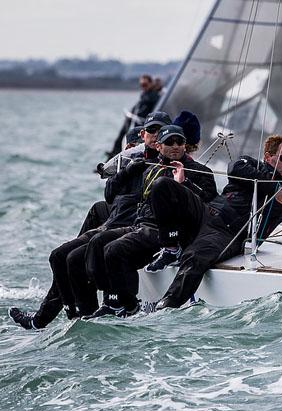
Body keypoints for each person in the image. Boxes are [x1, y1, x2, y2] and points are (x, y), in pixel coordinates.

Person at [6, 118, 166, 329]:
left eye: (159, 132)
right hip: (113, 221)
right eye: (150, 131)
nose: (130, 149)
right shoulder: (129, 162)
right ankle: (72, 313)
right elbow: (110, 196)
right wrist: (126, 170)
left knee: (74, 258)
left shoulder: (163, 165)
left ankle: (75, 313)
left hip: (130, 227)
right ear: (142, 136)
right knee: (60, 255)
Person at [145, 135, 282, 310]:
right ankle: (170, 247)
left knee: (196, 255)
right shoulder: (250, 165)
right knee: (163, 185)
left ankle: (165, 306)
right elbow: (235, 168)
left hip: (229, 233)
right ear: (268, 157)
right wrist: (276, 190)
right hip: (206, 213)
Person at [82, 125, 218, 318]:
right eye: (169, 142)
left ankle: (129, 307)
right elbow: (118, 197)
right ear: (159, 146)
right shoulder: (150, 168)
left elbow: (209, 203)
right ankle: (112, 301)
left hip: (168, 231)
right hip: (141, 225)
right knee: (98, 242)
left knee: (114, 250)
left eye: (180, 142)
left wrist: (184, 183)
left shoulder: (199, 171)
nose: (176, 146)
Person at [108, 74, 160, 158]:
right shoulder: (145, 95)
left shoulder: (153, 96)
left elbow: (145, 111)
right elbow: (137, 108)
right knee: (121, 137)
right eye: (141, 85)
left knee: (129, 141)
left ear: (151, 84)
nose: (143, 87)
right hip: (134, 122)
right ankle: (112, 157)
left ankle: (118, 156)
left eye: (145, 85)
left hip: (141, 124)